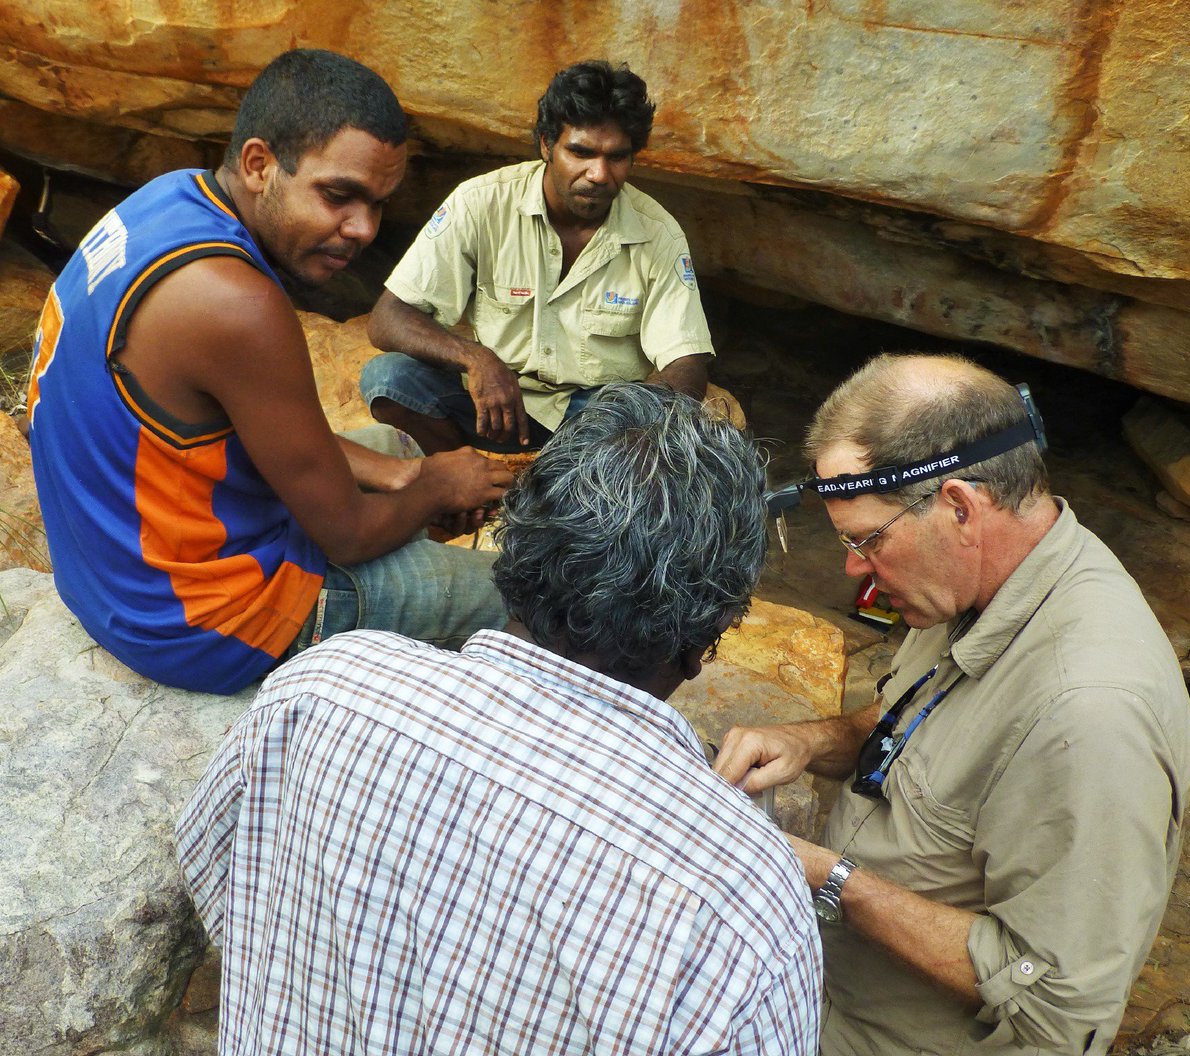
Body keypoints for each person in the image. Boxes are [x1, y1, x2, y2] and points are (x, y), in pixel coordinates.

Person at [176, 383, 822, 1056]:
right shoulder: (739, 896)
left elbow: (223, 884)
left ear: (513, 556)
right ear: (701, 643)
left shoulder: (316, 692)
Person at [715, 353, 1190, 1055]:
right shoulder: (977, 579)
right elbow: (919, 726)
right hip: (829, 1009)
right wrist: (811, 742)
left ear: (960, 508)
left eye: (867, 539)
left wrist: (830, 880)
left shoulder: (1091, 714)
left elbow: (1054, 1003)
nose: (854, 568)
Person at [25, 48, 512, 695]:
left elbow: (264, 434)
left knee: (395, 449)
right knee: (518, 594)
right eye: (339, 196)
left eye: (378, 204)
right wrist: (435, 490)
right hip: (197, 624)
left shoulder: (166, 201)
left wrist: (407, 474)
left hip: (107, 569)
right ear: (259, 164)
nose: (363, 229)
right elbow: (347, 535)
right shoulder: (238, 305)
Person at [360, 59, 714, 455]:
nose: (598, 173)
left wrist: (629, 421)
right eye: (580, 152)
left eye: (616, 157)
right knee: (389, 379)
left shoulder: (658, 233)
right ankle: (464, 488)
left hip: (597, 421)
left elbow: (687, 365)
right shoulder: (480, 203)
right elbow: (388, 318)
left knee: (661, 419)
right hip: (494, 406)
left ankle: (578, 488)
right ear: (546, 145)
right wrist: (478, 360)